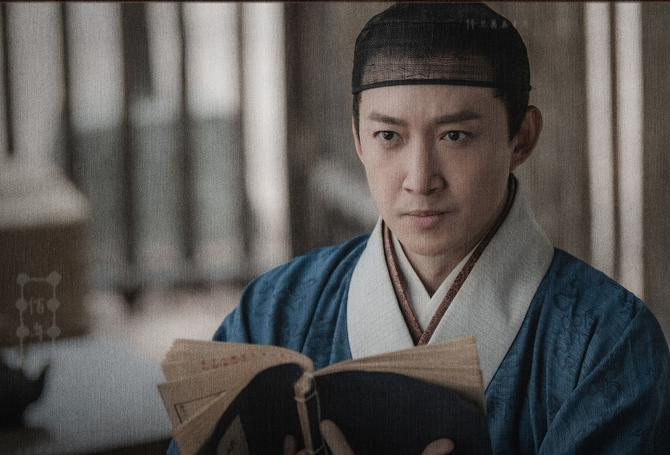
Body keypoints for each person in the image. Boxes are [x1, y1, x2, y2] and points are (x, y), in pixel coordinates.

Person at [168, 2, 670, 454]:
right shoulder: (274, 311)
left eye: (455, 135)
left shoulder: (607, 343)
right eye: (389, 135)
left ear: (521, 137)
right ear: (358, 140)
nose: (420, 179)